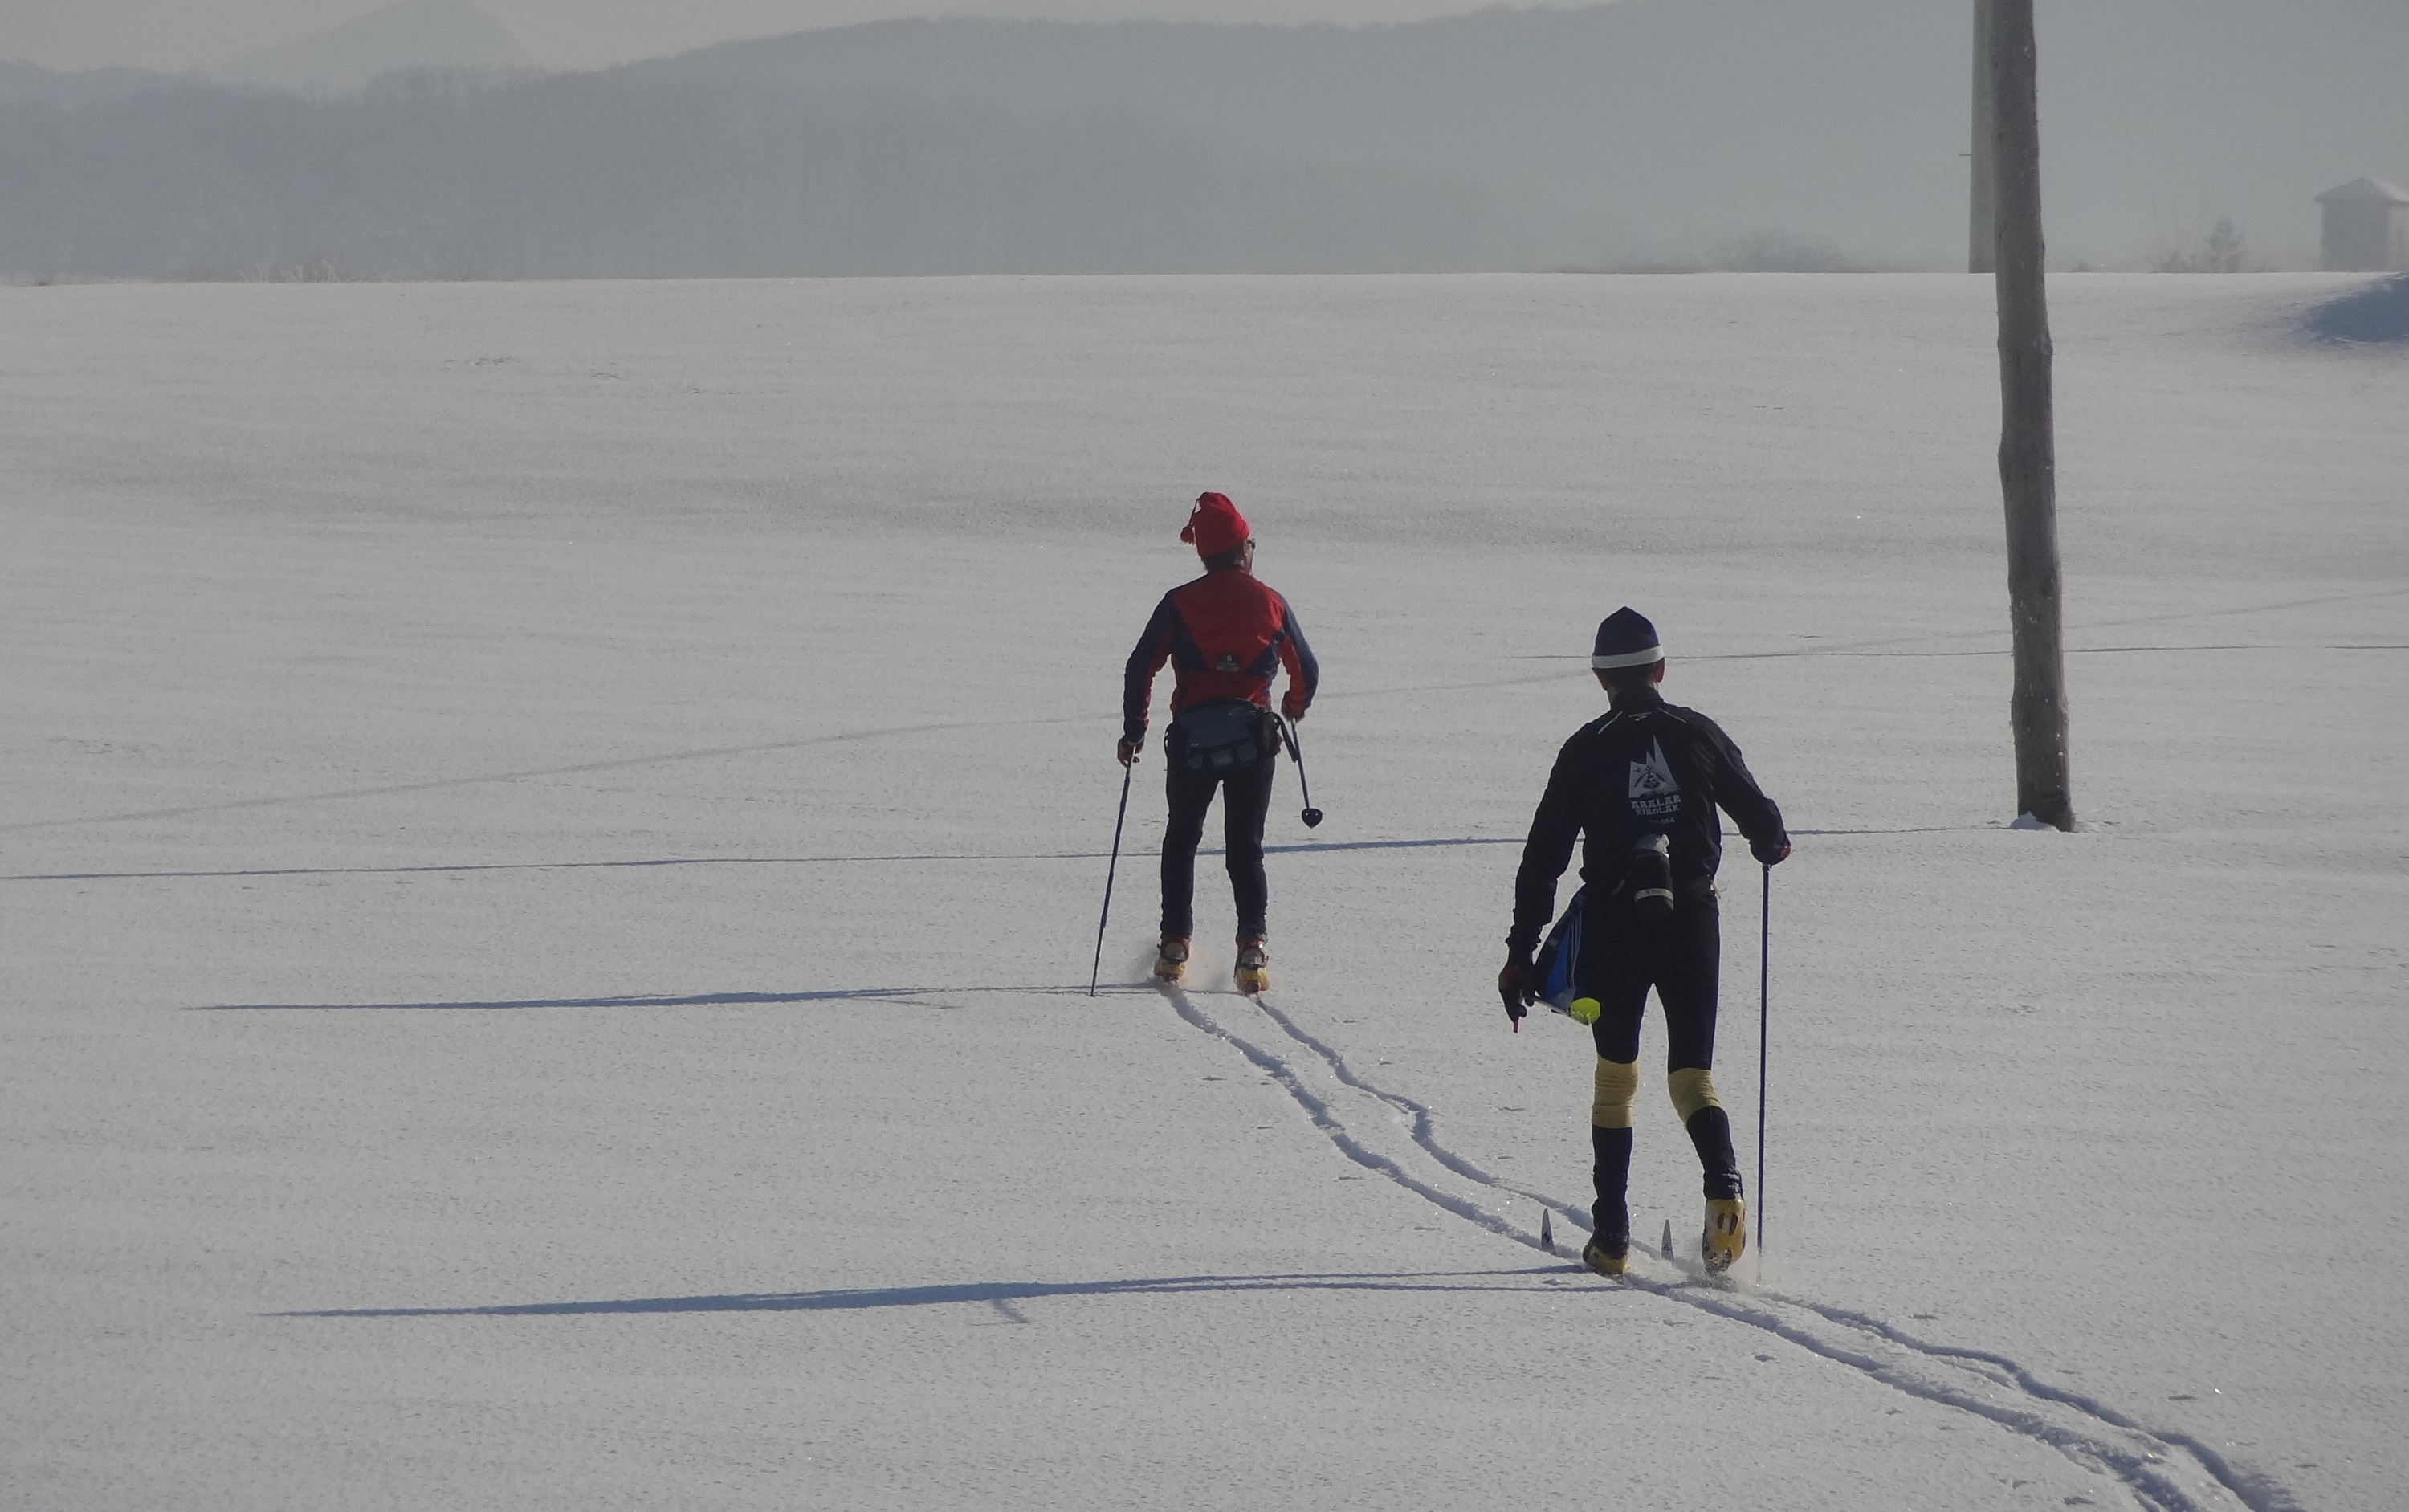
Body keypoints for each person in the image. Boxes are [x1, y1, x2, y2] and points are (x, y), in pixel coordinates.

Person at [1498, 607, 1788, 1278]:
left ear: (1602, 676)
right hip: (1691, 918)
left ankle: (1611, 1238)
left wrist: (1521, 950)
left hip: (1614, 925)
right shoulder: (1696, 732)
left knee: (1616, 1078)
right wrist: (1771, 843)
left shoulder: (1584, 747)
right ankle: (1725, 1195)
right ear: (1660, 670)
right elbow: (1763, 821)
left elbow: (1541, 859)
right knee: (1692, 1074)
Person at [1119, 492, 1319, 995]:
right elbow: (1307, 669)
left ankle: (1174, 945)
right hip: (1254, 743)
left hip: (1191, 743)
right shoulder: (1270, 602)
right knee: (1245, 849)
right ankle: (1252, 948)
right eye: (1252, 542)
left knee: (1181, 840)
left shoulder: (1179, 602)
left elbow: (1140, 665)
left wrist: (1134, 730)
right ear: (1242, 549)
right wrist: (1293, 705)